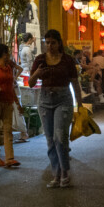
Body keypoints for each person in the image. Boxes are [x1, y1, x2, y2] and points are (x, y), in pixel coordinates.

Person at [29, 29, 84, 188]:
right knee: (50, 139)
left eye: (53, 42)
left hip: (63, 100)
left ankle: (65, 171)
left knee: (60, 137)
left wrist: (80, 104)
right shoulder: (40, 60)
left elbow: (75, 82)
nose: (50, 46)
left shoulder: (67, 60)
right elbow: (31, 83)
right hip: (45, 100)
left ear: (59, 43)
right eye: (47, 43)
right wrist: (37, 73)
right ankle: (56, 173)